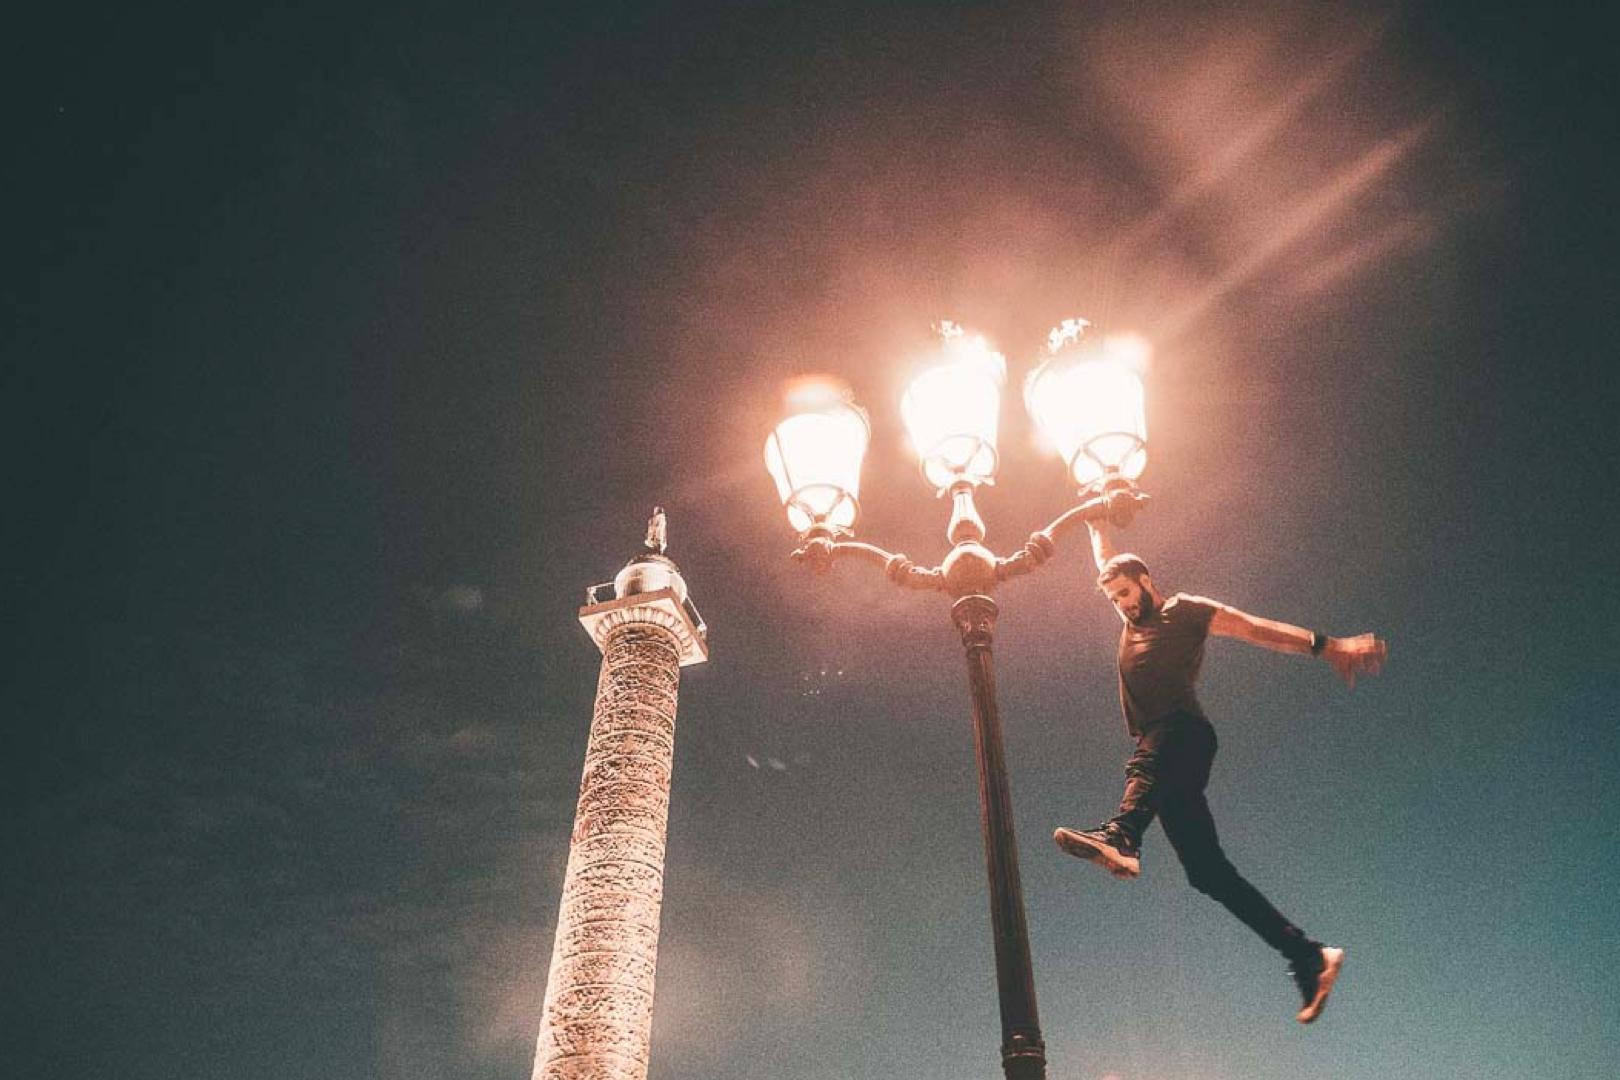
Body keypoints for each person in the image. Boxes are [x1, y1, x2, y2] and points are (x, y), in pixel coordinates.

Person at [1054, 488, 1387, 1024]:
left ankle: (1120, 836)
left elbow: (1255, 628)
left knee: (1147, 761)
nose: (1121, 604)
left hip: (1183, 733)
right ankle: (1308, 955)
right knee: (1207, 873)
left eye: (1125, 592)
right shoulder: (1128, 621)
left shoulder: (1184, 611)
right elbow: (1104, 559)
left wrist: (1333, 647)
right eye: (1112, 599)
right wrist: (1096, 518)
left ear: (1145, 579)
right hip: (1164, 755)